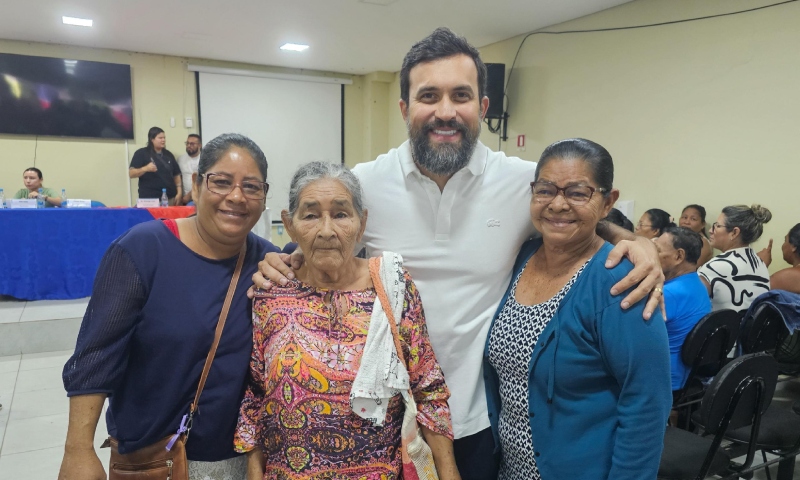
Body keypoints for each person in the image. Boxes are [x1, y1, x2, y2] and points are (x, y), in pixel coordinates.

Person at [253, 27, 664, 480]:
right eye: (429, 95)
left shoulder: (522, 181)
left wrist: (638, 243)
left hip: (483, 421)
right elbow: (322, 233)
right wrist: (283, 258)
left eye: (461, 96)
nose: (445, 111)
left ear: (483, 108)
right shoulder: (367, 182)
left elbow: (573, 211)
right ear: (405, 108)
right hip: (388, 423)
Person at [58, 134, 280, 480]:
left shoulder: (267, 263)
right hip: (153, 459)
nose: (236, 197)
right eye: (221, 182)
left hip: (238, 460)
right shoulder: (142, 250)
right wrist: (78, 449)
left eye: (251, 187)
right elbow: (95, 357)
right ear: (196, 183)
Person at [235, 161, 458, 479]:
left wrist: (450, 474)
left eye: (341, 214)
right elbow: (256, 395)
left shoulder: (393, 287)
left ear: (361, 222)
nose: (327, 231)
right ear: (290, 223)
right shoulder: (271, 293)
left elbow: (429, 391)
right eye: (311, 215)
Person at [483, 139, 670, 480]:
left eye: (578, 193)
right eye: (545, 190)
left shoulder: (622, 282)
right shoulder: (521, 256)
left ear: (607, 202)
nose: (557, 204)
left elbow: (647, 404)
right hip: (510, 468)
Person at [654, 226, 712, 392]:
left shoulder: (669, 294)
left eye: (657, 250)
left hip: (663, 379)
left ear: (679, 256)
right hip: (685, 375)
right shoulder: (697, 284)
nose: (651, 257)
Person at [698, 204, 772, 311]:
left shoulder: (717, 266)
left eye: (717, 226)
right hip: (747, 327)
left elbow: (691, 301)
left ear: (734, 232)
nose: (710, 230)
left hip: (721, 326)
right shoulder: (760, 263)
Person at [128, 126, 182, 205]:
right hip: (149, 199)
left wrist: (179, 191)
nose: (163, 140)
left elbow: (176, 175)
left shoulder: (169, 154)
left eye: (164, 138)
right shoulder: (141, 153)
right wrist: (145, 169)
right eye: (160, 138)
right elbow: (131, 173)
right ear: (152, 139)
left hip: (169, 198)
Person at [770, 223, 800, 294]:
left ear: (793, 246)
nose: (783, 245)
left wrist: (760, 264)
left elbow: (754, 292)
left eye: (785, 240)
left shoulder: (789, 276)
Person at [178, 134, 202, 204]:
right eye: (187, 143)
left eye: (192, 144)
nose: (189, 146)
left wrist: (190, 195)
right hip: (183, 199)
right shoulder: (181, 159)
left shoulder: (205, 159)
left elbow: (203, 181)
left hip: (200, 198)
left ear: (199, 145)